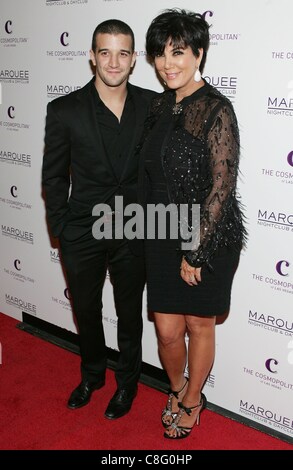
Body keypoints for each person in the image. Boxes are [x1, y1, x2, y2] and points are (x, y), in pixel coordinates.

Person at [139, 9, 246, 439]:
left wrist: (196, 250)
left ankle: (192, 400)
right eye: (161, 54)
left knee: (199, 324)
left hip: (207, 235)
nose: (168, 63)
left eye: (178, 52)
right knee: (166, 329)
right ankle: (178, 386)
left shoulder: (217, 109)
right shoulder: (159, 104)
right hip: (161, 231)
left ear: (199, 53)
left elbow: (222, 187)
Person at [42, 19, 156, 420]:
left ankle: (127, 383)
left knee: (129, 311)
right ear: (92, 57)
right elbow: (53, 176)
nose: (113, 61)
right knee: (86, 310)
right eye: (105, 52)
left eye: (122, 53)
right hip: (82, 231)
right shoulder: (64, 110)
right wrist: (62, 228)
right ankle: (93, 374)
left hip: (134, 229)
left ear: (133, 60)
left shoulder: (153, 106)